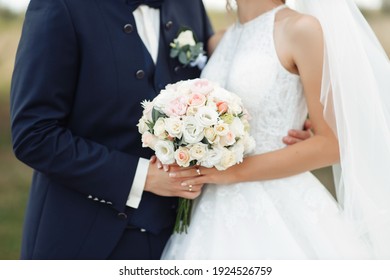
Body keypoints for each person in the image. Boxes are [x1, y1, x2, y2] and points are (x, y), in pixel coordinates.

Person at [162, 0, 390, 259]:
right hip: (207, 208)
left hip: (275, 203)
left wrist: (231, 172)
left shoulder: (301, 30)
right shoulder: (220, 40)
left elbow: (332, 144)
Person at [10, 0, 215, 260]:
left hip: (179, 244)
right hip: (80, 241)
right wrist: (143, 177)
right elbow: (34, 135)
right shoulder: (60, 5)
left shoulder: (190, 5)